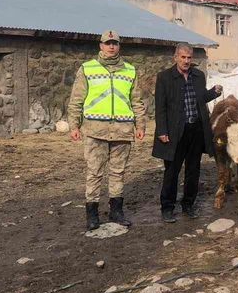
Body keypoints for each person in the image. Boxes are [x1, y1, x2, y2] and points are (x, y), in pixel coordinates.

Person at [68, 30, 146, 230]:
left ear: (119, 46)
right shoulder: (87, 69)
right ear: (100, 46)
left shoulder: (130, 71)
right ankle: (92, 215)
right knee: (94, 172)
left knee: (118, 172)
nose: (111, 46)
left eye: (115, 43)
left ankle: (116, 212)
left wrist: (140, 125)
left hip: (122, 130)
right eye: (108, 43)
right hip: (95, 130)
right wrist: (74, 125)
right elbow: (76, 100)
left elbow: (137, 101)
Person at [152, 42, 222, 222]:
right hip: (175, 131)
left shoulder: (198, 76)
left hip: (196, 130)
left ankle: (188, 205)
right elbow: (160, 107)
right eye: (182, 57)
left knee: (193, 170)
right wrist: (162, 130)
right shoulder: (164, 77)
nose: (186, 61)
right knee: (172, 171)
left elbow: (201, 98)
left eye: (189, 57)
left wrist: (214, 93)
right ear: (175, 57)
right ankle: (167, 207)